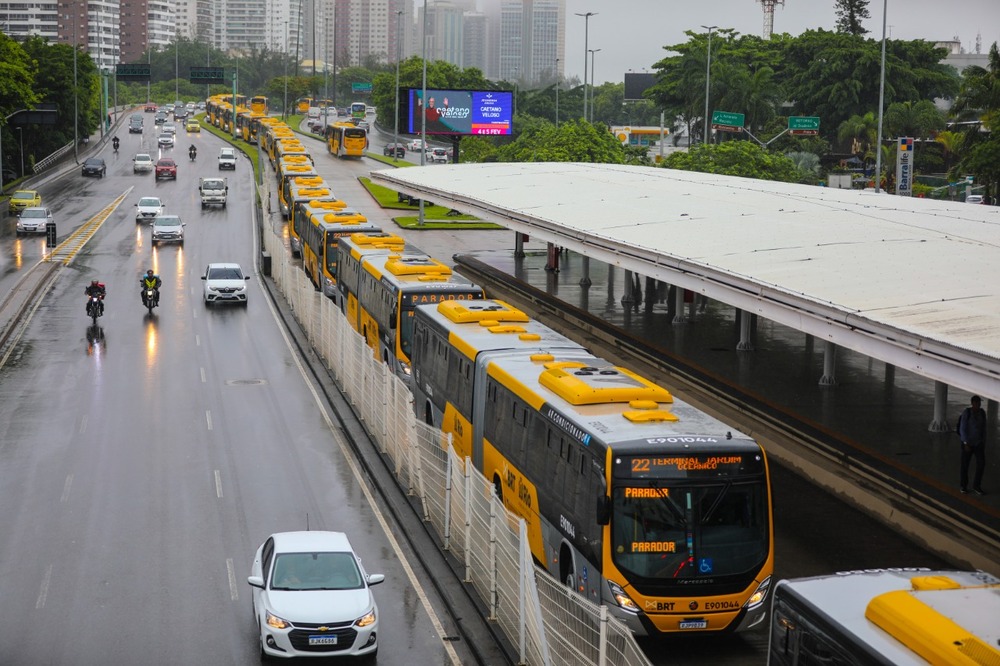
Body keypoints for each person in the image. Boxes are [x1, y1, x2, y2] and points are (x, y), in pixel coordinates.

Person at [958, 395, 987, 495]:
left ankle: (977, 485)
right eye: (977, 403)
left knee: (981, 464)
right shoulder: (967, 413)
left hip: (978, 443)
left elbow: (984, 428)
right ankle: (963, 485)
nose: (979, 405)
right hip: (968, 443)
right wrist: (965, 442)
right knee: (965, 465)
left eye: (979, 403)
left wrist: (983, 441)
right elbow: (963, 428)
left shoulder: (982, 413)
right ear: (972, 403)